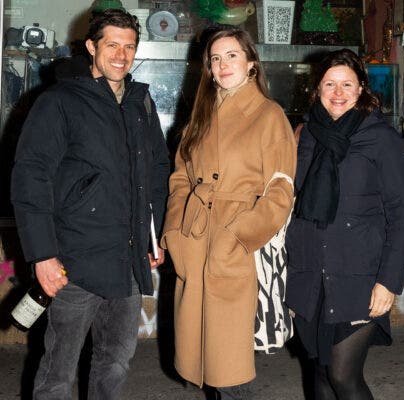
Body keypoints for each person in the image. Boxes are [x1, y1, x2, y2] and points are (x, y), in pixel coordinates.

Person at [10, 9, 169, 399]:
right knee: (58, 371)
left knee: (114, 363)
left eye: (129, 46)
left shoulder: (140, 103)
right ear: (91, 47)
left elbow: (158, 172)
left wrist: (156, 236)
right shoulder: (59, 101)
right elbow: (31, 176)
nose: (121, 54)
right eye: (112, 44)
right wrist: (42, 255)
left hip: (129, 262)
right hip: (74, 263)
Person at [161, 28, 296, 399]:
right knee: (205, 362)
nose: (223, 65)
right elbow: (179, 179)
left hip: (237, 247)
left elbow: (280, 190)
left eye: (232, 55)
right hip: (195, 240)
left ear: (251, 63)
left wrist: (237, 238)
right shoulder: (200, 115)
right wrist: (174, 231)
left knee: (231, 370)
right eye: (215, 58)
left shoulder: (270, 115)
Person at [285, 49, 404, 399]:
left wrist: (389, 282)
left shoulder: (382, 138)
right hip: (310, 272)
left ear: (362, 89)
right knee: (320, 373)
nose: (338, 92)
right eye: (330, 83)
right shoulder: (305, 135)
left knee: (344, 374)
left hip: (359, 277)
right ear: (317, 89)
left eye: (347, 83)